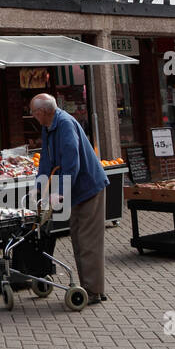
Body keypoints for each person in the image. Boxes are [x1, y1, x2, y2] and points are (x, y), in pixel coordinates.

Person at [30, 93, 109, 305]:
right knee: (78, 237)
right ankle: (90, 287)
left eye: (33, 112)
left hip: (89, 187)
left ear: (43, 112)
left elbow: (72, 162)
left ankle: (93, 291)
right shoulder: (49, 127)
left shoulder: (64, 124)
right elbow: (46, 161)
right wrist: (39, 188)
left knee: (87, 240)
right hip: (77, 189)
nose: (33, 116)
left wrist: (60, 191)